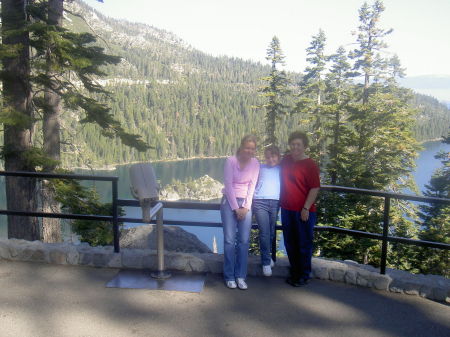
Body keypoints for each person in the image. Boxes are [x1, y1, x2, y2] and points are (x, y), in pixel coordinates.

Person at [280, 131, 320, 287]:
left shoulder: (310, 164)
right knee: (290, 242)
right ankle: (295, 271)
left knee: (303, 243)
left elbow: (315, 188)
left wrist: (305, 208)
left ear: (304, 146)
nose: (295, 147)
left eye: (299, 144)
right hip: (286, 208)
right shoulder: (286, 160)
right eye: (293, 144)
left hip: (303, 211)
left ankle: (304, 274)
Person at [221, 135, 260, 290]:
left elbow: (252, 186)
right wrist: (235, 208)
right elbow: (228, 185)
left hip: (245, 204)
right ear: (241, 147)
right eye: (247, 147)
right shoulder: (231, 161)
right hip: (229, 203)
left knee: (243, 241)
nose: (249, 151)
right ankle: (229, 276)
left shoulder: (255, 163)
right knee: (230, 241)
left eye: (252, 148)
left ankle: (240, 276)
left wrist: (245, 207)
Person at [252, 145, 281, 277]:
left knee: (271, 234)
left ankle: (268, 258)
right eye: (268, 156)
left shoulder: (281, 169)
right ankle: (265, 263)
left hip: (275, 203)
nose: (270, 159)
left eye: (273, 156)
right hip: (260, 202)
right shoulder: (259, 167)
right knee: (264, 233)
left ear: (278, 157)